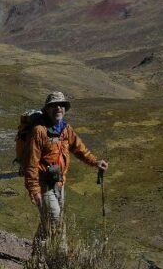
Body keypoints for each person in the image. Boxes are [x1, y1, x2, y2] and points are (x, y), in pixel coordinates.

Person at [23, 91, 108, 238]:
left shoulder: (65, 128)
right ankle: (39, 256)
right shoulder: (39, 131)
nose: (58, 108)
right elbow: (31, 163)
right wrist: (34, 190)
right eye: (54, 106)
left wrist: (95, 162)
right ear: (47, 109)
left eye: (61, 105)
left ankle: (41, 253)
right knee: (54, 217)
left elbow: (79, 149)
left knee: (51, 219)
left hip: (59, 182)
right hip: (43, 183)